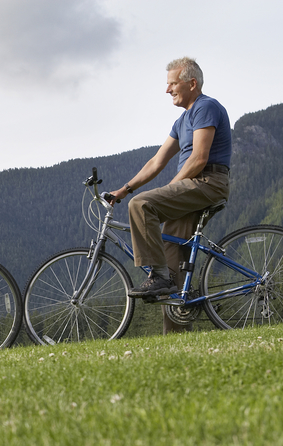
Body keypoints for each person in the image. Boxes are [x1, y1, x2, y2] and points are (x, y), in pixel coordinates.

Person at [108, 57, 232, 334]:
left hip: (207, 181)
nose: (168, 90)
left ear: (192, 83)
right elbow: (156, 162)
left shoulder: (206, 107)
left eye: (172, 84)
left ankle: (156, 275)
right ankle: (175, 342)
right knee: (171, 265)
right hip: (193, 185)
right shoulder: (182, 120)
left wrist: (165, 190)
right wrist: (124, 190)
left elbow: (199, 158)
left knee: (142, 205)